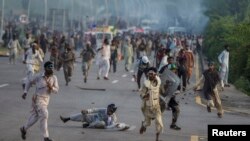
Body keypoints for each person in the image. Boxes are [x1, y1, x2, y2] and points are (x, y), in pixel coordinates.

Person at [20, 61, 59, 141]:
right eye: (49, 68)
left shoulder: (54, 78)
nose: (51, 70)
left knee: (35, 117)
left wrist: (52, 88)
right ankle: (46, 137)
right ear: (45, 68)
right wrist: (25, 92)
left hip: (46, 100)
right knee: (45, 114)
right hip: (37, 98)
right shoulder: (39, 76)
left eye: (52, 68)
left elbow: (56, 90)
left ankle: (24, 128)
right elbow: (29, 81)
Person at [139, 67, 163, 141]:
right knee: (148, 123)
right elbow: (141, 93)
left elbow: (163, 91)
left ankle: (157, 138)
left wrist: (167, 87)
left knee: (159, 122)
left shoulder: (159, 82)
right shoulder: (146, 83)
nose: (150, 75)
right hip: (148, 107)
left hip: (156, 106)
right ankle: (143, 125)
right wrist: (144, 95)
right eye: (149, 74)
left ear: (155, 74)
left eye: (151, 74)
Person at [159, 56, 181, 130]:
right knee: (158, 112)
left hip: (171, 97)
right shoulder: (165, 77)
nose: (174, 71)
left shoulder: (176, 78)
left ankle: (173, 124)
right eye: (173, 70)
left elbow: (178, 88)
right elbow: (160, 86)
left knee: (177, 109)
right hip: (162, 97)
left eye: (175, 70)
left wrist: (177, 91)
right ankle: (146, 122)